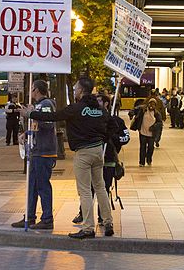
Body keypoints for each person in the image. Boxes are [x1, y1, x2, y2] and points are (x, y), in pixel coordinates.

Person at [22, 77, 114, 239]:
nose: (74, 91)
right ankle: (108, 222)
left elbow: (54, 116)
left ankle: (88, 227)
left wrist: (30, 114)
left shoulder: (76, 108)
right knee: (100, 187)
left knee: (85, 190)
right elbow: (110, 126)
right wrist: (102, 139)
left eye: (75, 88)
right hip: (98, 151)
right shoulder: (100, 109)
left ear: (81, 90)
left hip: (83, 152)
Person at [72, 93, 130, 224]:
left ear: (106, 104)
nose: (96, 104)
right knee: (89, 189)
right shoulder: (89, 118)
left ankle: (102, 217)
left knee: (103, 188)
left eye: (99, 101)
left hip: (108, 160)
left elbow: (125, 138)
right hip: (94, 157)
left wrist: (111, 139)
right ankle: (84, 213)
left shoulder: (116, 121)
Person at [11, 80, 57, 229]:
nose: (30, 91)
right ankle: (30, 216)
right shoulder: (39, 106)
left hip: (44, 152)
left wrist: (30, 114)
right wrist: (27, 133)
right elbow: (38, 126)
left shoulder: (46, 105)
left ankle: (47, 218)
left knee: (42, 185)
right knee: (32, 186)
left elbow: (48, 123)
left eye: (31, 89)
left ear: (36, 90)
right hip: (36, 151)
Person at [130, 98, 162, 167]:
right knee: (142, 147)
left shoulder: (156, 113)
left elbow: (160, 123)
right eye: (150, 103)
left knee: (151, 147)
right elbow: (134, 109)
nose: (151, 105)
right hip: (142, 132)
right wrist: (131, 113)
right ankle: (142, 162)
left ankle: (149, 159)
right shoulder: (142, 109)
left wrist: (154, 127)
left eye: (153, 104)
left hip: (151, 134)